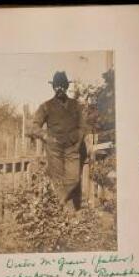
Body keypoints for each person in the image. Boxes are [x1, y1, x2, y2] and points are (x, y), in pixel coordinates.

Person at [26, 71, 95, 211]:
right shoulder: (46, 106)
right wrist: (45, 136)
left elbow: (84, 126)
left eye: (62, 86)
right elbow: (34, 127)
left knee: (74, 179)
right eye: (57, 86)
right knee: (57, 181)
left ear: (66, 87)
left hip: (72, 149)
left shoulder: (77, 105)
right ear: (53, 88)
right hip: (54, 149)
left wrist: (77, 137)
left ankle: (58, 205)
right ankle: (65, 214)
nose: (59, 89)